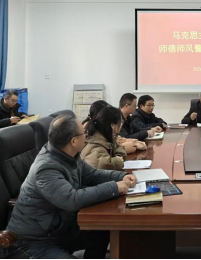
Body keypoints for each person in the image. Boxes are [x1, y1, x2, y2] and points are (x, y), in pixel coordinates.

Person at [7, 115, 137, 259]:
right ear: (73, 141)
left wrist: (121, 176)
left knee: (102, 228)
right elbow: (72, 199)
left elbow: (91, 175)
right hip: (31, 242)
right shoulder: (46, 168)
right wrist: (114, 188)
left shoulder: (68, 155)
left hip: (60, 230)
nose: (87, 135)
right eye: (84, 133)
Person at [81, 106, 126, 170]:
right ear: (112, 125)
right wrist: (118, 161)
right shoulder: (96, 143)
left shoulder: (108, 136)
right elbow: (103, 164)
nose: (121, 124)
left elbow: (118, 147)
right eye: (121, 121)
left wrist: (118, 156)